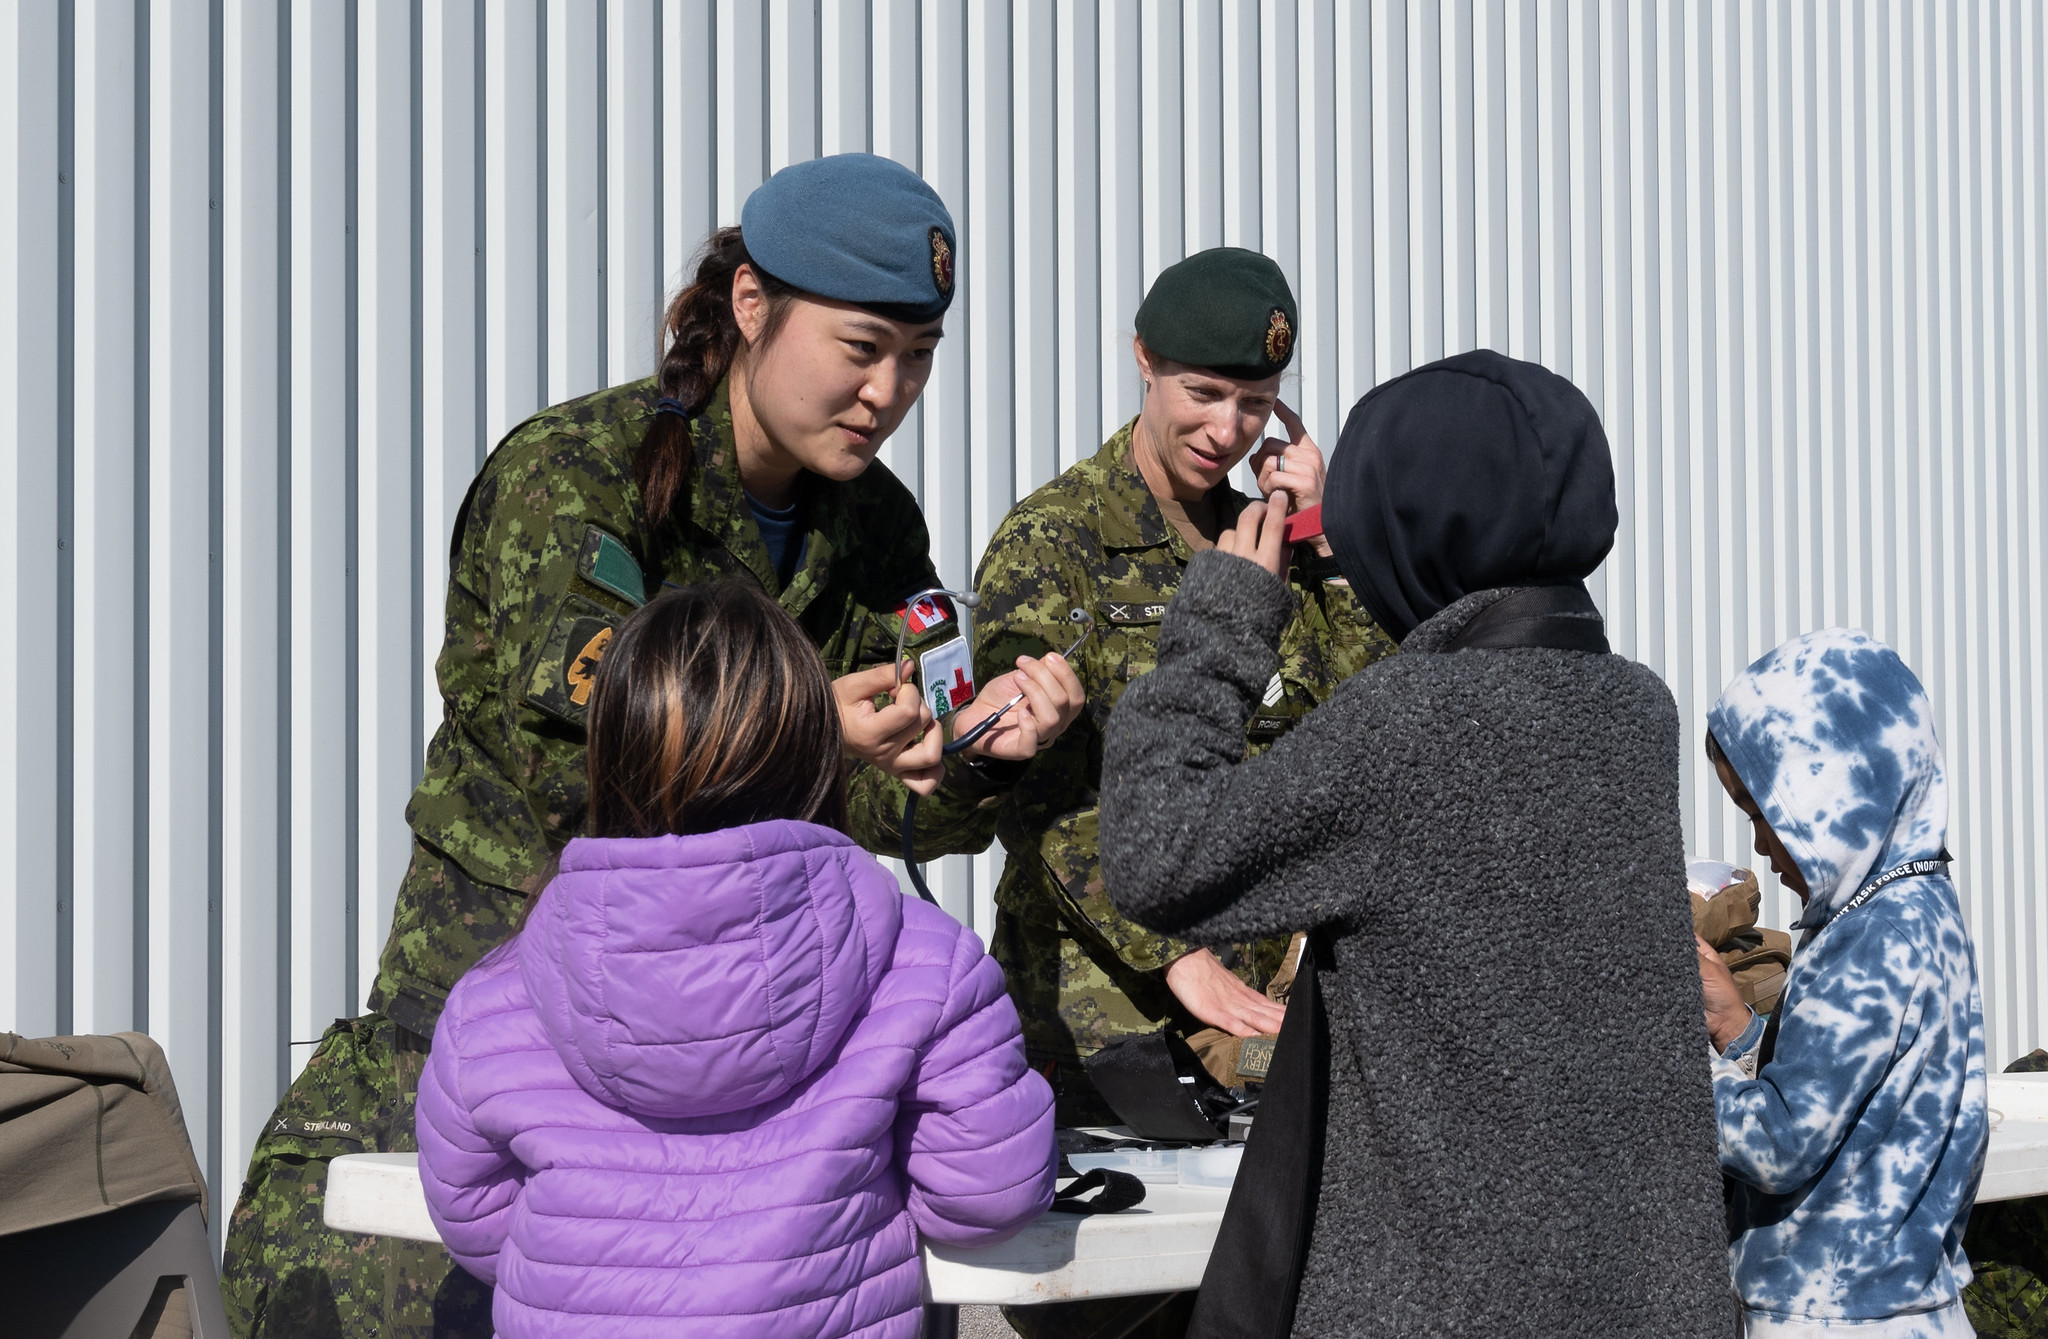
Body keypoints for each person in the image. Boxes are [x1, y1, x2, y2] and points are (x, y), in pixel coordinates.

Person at [220, 153, 1083, 1337]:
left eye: (918, 357)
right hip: (515, 1021)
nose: (888, 391)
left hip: (756, 1074)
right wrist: (799, 723)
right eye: (860, 346)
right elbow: (583, 763)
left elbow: (889, 809)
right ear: (749, 307)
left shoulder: (873, 520)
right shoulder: (573, 478)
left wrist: (979, 747)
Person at [1096, 349, 1733, 1337]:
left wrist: (1220, 620)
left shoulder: (1410, 723)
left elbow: (1153, 854)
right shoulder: (1628, 708)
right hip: (1641, 1291)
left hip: (1442, 1300)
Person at [893, 246, 1395, 1338]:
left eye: (1255, 403)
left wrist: (1332, 542)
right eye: (1203, 394)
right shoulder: (1054, 542)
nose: (1227, 430)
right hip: (1102, 1021)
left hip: (1253, 1022)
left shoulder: (1270, 541)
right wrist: (1172, 951)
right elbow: (1040, 798)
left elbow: (1362, 727)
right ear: (1142, 363)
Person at [414, 581, 1056, 1338]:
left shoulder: (498, 996)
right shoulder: (922, 963)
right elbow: (988, 1189)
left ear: (607, 757)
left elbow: (474, 1214)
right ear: (820, 757)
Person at [1697, 629, 1988, 1338]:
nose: (1763, 847)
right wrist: (1743, 1030)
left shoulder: (1868, 936)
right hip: (1907, 1303)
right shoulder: (1922, 907)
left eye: (1767, 815)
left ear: (1836, 792)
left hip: (1832, 1313)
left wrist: (1668, 1079)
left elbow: (1781, 1140)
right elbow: (1859, 1098)